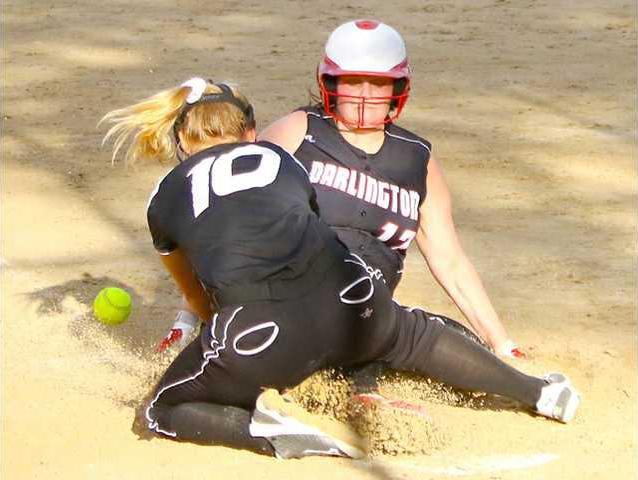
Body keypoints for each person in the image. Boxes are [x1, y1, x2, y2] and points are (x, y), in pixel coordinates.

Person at [101, 78, 579, 460]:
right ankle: (540, 393)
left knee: (162, 409)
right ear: (250, 131)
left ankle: (268, 431)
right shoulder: (280, 157)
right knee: (411, 333)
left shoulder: (162, 197)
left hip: (261, 333)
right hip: (353, 298)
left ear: (181, 142)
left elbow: (199, 296)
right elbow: (313, 230)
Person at [255, 19, 521, 358]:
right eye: (353, 81)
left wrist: (501, 342)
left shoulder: (417, 158)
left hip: (368, 318)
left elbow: (450, 260)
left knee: (462, 344)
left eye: (379, 83)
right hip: (288, 302)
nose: (365, 95)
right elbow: (228, 210)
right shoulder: (297, 131)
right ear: (330, 81)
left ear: (397, 88)